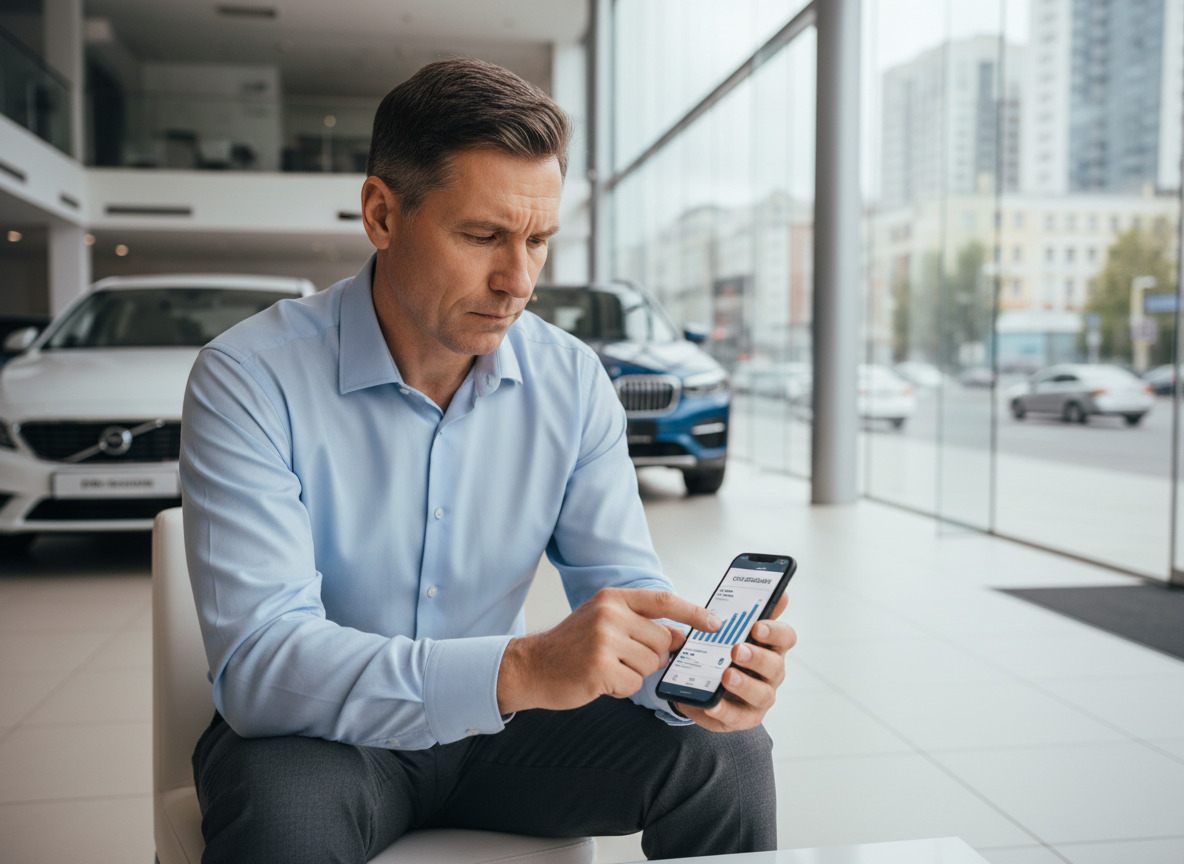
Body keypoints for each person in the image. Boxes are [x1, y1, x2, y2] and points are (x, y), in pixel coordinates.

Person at [180, 57, 797, 864]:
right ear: (381, 213)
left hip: (503, 732)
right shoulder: (249, 376)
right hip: (321, 733)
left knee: (727, 756)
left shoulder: (571, 379)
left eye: (539, 240)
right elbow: (262, 666)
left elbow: (625, 590)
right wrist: (519, 667)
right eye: (483, 236)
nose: (518, 281)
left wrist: (693, 679)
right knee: (279, 819)